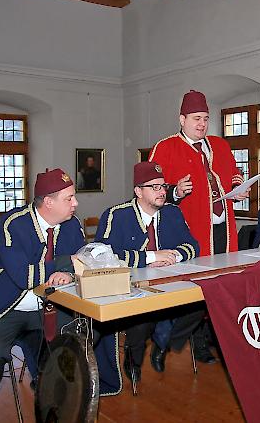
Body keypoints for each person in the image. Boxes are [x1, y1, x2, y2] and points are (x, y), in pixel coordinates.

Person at [0, 168, 120, 423]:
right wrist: (67, 263)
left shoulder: (71, 225)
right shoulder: (12, 224)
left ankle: (54, 397)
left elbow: (84, 262)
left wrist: (71, 273)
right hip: (9, 307)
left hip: (51, 307)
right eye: (69, 198)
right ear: (49, 202)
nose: (76, 203)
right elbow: (24, 276)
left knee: (83, 336)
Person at [148, 90, 250, 363]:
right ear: (181, 119)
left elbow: (233, 172)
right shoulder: (165, 148)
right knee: (194, 291)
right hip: (189, 231)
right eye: (196, 118)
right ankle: (182, 341)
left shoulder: (219, 144)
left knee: (222, 286)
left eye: (205, 118)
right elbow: (149, 190)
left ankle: (218, 340)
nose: (202, 124)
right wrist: (175, 191)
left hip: (222, 228)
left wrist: (239, 186)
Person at [95, 162, 202, 382]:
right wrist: (151, 257)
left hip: (171, 284)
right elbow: (102, 256)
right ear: (138, 191)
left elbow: (193, 246)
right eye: (154, 187)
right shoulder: (116, 215)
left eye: (163, 186)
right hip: (134, 289)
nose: (163, 192)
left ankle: (163, 344)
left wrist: (173, 255)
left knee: (200, 305)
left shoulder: (173, 212)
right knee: (142, 320)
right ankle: (133, 360)